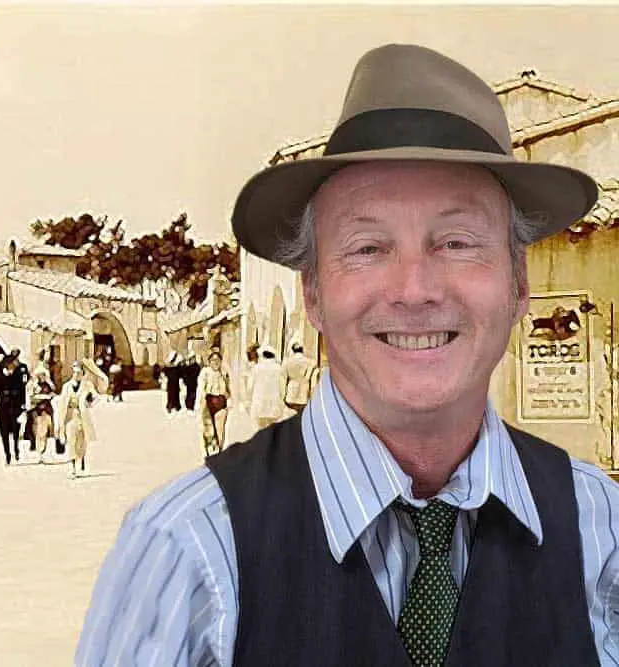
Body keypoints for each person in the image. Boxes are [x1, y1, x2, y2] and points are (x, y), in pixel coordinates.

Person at [76, 44, 619, 665]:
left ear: (518, 284)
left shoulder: (598, 528)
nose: (415, 290)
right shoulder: (187, 551)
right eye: (366, 247)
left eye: (458, 241)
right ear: (313, 290)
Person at [56, 362, 97, 479]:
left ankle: (81, 459)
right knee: (71, 440)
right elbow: (62, 402)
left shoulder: (87, 385)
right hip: (71, 415)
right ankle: (72, 467)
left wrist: (88, 402)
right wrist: (61, 420)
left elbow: (95, 397)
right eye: (74, 372)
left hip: (83, 415)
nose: (76, 375)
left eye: (79, 373)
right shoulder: (67, 386)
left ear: (83, 374)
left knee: (82, 441)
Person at [0, 349, 29, 465]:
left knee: (16, 432)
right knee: (4, 433)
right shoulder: (0, 374)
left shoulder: (20, 372)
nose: (11, 365)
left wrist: (23, 406)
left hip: (16, 406)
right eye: (9, 363)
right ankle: (7, 454)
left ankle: (16, 449)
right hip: (3, 407)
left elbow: (23, 389)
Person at [198, 351, 231, 458]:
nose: (216, 363)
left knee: (220, 429)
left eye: (218, 360)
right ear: (209, 362)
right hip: (209, 402)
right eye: (213, 360)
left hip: (221, 403)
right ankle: (208, 452)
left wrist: (228, 400)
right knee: (208, 429)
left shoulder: (224, 373)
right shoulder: (205, 372)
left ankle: (219, 452)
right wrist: (202, 403)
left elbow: (228, 389)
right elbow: (201, 388)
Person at [248, 345, 286, 429]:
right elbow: (282, 388)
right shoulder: (279, 369)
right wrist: (281, 399)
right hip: (274, 404)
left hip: (259, 404)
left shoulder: (256, 368)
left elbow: (250, 387)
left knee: (260, 429)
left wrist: (250, 400)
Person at [27, 367, 57, 462]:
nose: (42, 377)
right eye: (41, 375)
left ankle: (43, 451)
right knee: (39, 432)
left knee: (45, 432)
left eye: (44, 375)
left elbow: (53, 392)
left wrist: (50, 392)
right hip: (38, 411)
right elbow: (31, 397)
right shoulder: (34, 386)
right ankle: (39, 452)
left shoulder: (47, 385)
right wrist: (43, 397)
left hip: (47, 411)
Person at [283, 342, 318, 415]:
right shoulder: (310, 362)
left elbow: (284, 377)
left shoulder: (287, 361)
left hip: (291, 387)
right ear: (302, 350)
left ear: (293, 350)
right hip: (304, 388)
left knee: (291, 412)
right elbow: (313, 372)